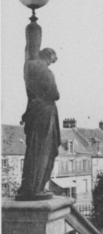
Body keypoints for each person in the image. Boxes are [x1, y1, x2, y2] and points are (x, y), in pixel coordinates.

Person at [17, 44, 61, 200]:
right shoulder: (46, 72)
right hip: (46, 113)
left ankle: (32, 186)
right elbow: (55, 94)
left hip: (35, 112)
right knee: (46, 150)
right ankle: (37, 187)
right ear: (48, 56)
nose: (51, 64)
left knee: (35, 149)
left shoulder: (29, 68)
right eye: (52, 61)